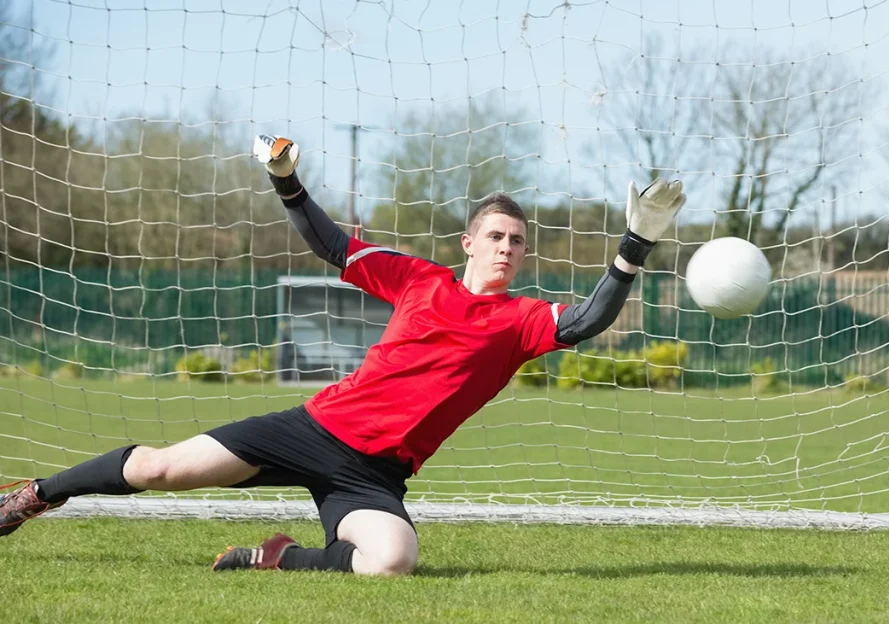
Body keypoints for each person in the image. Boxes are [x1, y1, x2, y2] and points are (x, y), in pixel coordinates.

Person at [0, 135, 686, 576]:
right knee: (159, 466)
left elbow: (591, 318)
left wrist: (635, 244)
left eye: (518, 240)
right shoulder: (418, 277)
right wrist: (285, 180)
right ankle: (34, 496)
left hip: (374, 474)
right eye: (497, 236)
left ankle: (278, 558)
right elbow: (330, 243)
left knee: (392, 561)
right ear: (469, 243)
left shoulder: (521, 321)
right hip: (314, 428)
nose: (508, 247)